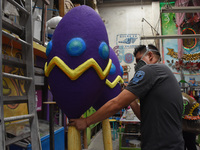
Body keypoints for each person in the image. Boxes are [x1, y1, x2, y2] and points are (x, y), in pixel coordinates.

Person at [68, 44, 184, 150]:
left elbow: (116, 104)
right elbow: (144, 117)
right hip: (170, 144)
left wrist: (87, 121)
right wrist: (131, 98)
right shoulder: (164, 73)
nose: (138, 66)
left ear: (150, 56)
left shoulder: (151, 70)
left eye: (139, 60)